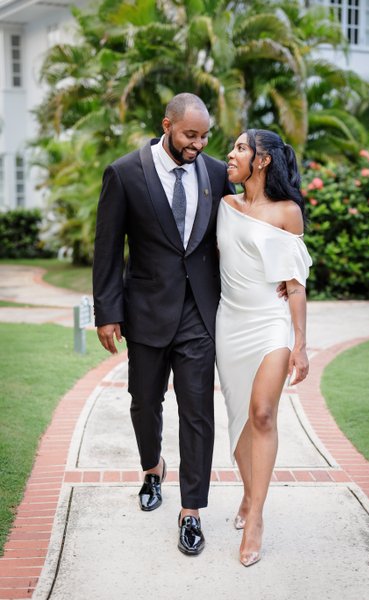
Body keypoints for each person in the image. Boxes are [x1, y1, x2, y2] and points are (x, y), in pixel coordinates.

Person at [92, 93, 234, 556]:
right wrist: (107, 312)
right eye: (190, 135)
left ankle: (191, 510)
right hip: (147, 311)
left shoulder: (215, 173)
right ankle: (153, 469)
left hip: (199, 314)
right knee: (144, 402)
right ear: (166, 125)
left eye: (205, 135)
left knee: (197, 412)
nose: (199, 144)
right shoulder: (125, 172)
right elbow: (108, 248)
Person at [216, 129, 312, 567]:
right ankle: (250, 495)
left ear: (263, 160)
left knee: (262, 414)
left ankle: (255, 516)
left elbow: (293, 286)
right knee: (239, 421)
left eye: (239, 147)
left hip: (270, 324)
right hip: (229, 322)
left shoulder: (288, 212)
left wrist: (301, 344)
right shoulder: (224, 204)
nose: (230, 153)